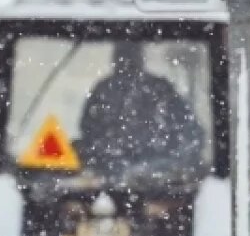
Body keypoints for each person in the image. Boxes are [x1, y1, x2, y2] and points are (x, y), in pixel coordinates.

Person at [78, 41, 205, 176]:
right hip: (113, 175)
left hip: (158, 178)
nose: (126, 60)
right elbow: (88, 131)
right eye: (122, 54)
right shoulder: (103, 90)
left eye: (130, 54)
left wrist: (172, 161)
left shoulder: (161, 89)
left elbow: (191, 133)